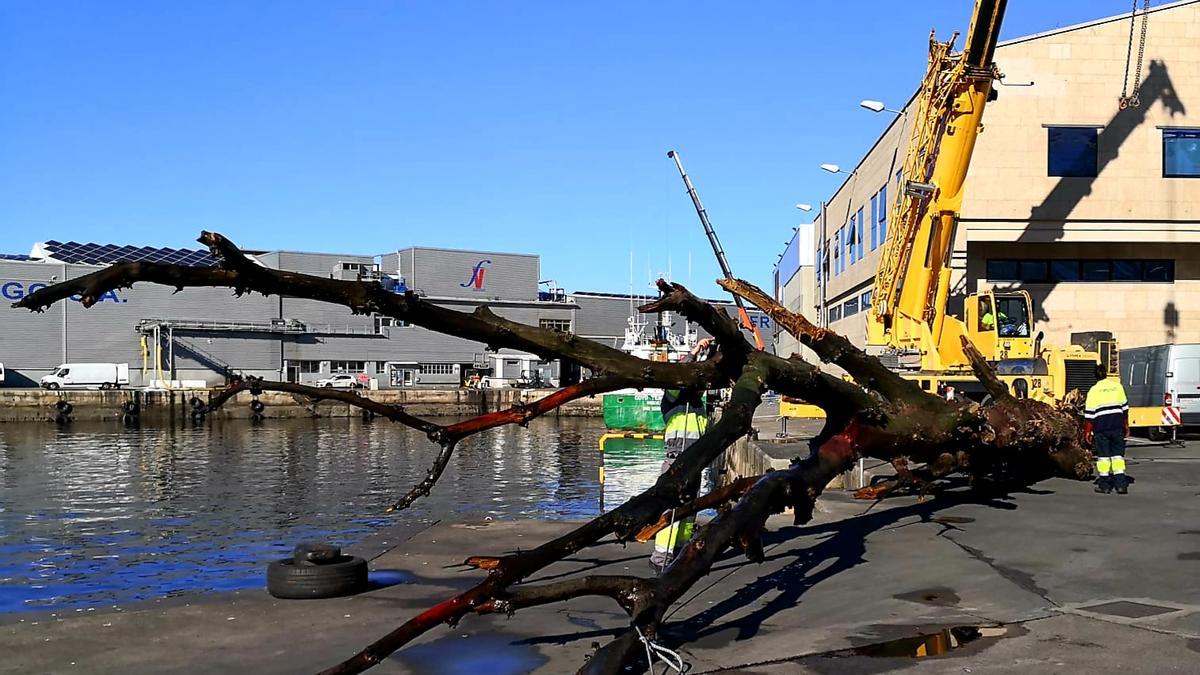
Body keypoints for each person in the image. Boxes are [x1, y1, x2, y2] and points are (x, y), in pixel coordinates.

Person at [650, 337, 714, 574]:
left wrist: (710, 353)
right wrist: (695, 351)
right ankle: (661, 556)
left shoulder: (698, 403)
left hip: (695, 458)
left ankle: (680, 549)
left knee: (688, 507)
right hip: (677, 456)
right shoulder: (672, 396)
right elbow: (681, 374)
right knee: (671, 505)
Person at [1084, 364, 1130, 494]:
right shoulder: (1117, 387)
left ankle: (1104, 485)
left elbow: (1089, 415)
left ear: (1095, 376)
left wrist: (1087, 432)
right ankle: (1121, 485)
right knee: (1117, 456)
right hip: (1117, 426)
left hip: (1101, 428)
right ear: (1106, 374)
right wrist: (1126, 425)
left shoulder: (1093, 391)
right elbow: (1125, 409)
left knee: (1103, 457)